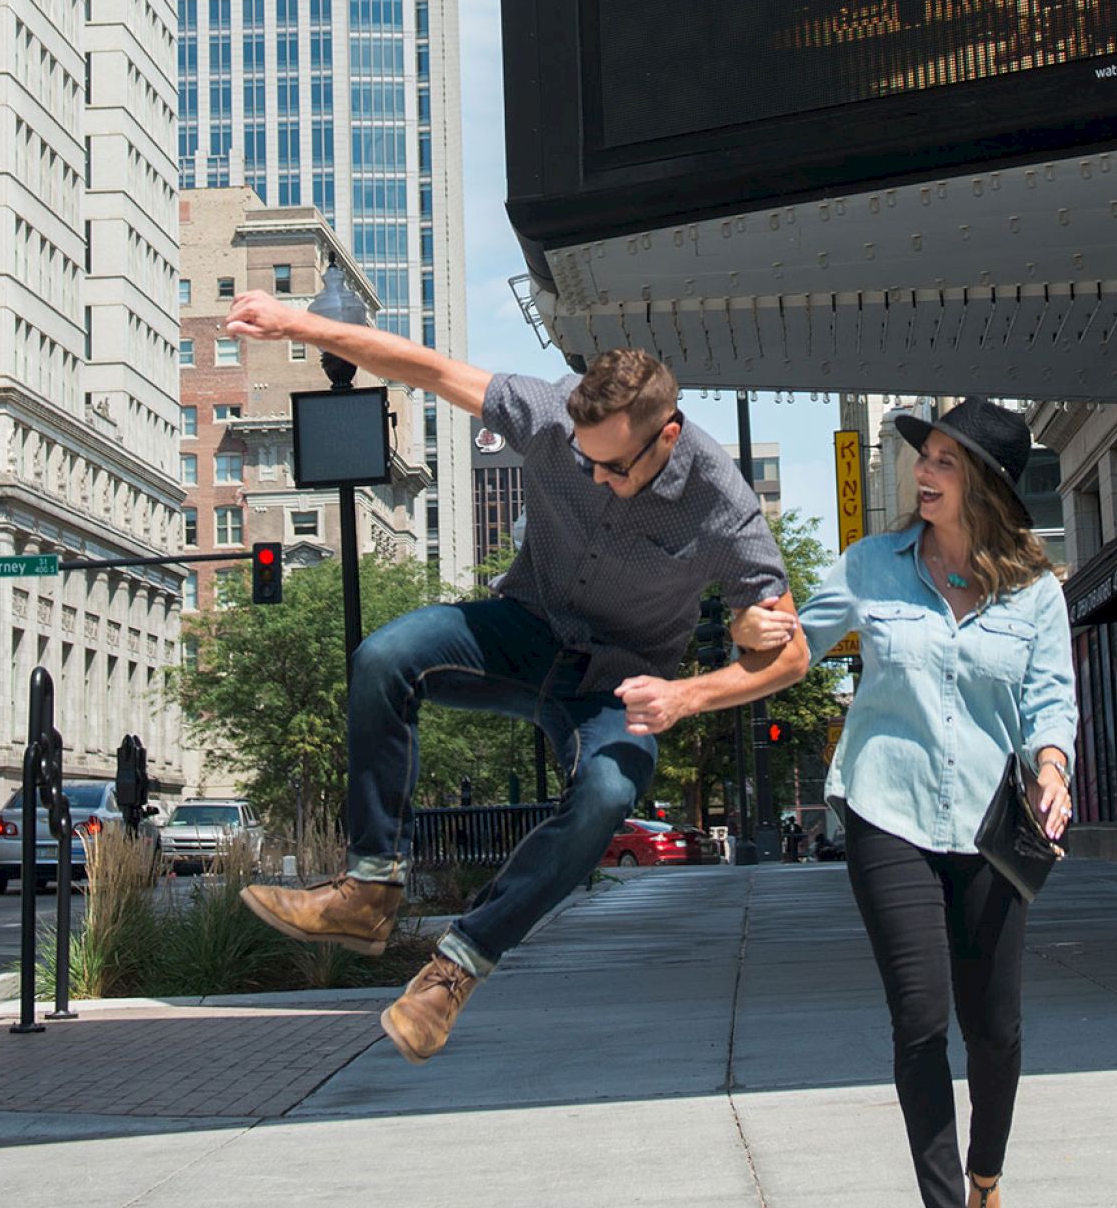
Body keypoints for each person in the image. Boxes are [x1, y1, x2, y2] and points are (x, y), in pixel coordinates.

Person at [225, 287, 808, 1062]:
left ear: (666, 435)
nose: (595, 476)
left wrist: (691, 691)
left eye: (614, 467)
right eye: (584, 457)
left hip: (620, 685)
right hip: (524, 633)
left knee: (606, 794)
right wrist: (299, 324)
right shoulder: (549, 415)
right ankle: (369, 890)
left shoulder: (722, 505)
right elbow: (427, 369)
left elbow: (789, 653)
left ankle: (452, 973)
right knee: (383, 658)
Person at [732, 399, 1077, 1208]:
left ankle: (987, 1177)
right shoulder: (871, 567)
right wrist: (754, 634)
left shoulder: (1036, 593)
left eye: (946, 463)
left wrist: (1053, 770)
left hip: (992, 827)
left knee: (994, 1029)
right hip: (885, 811)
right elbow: (797, 641)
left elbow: (1051, 703)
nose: (923, 473)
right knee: (921, 1022)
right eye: (923, 457)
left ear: (988, 486)